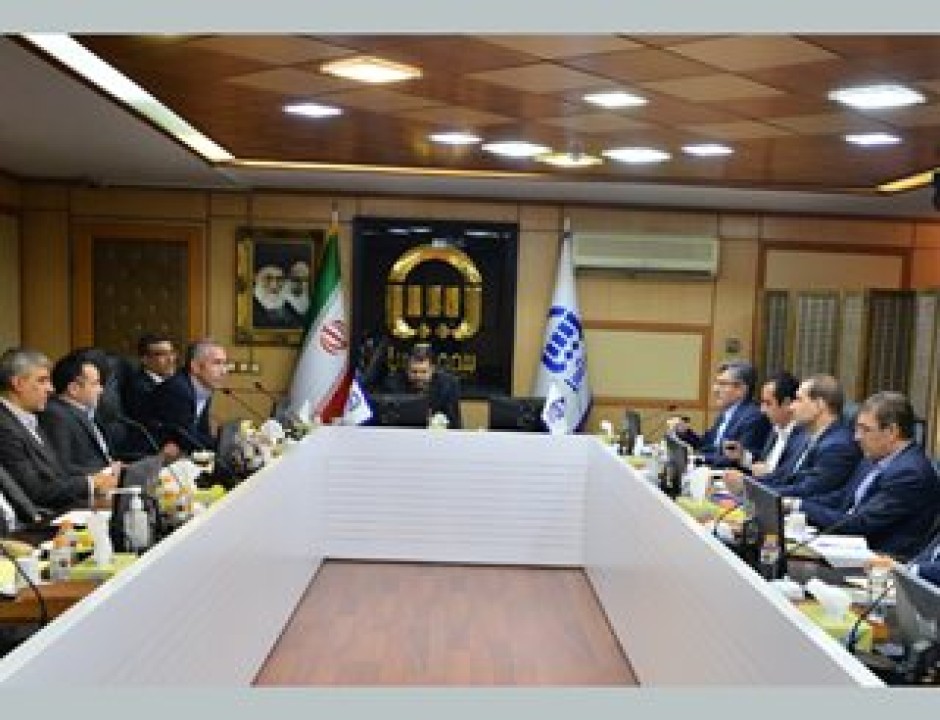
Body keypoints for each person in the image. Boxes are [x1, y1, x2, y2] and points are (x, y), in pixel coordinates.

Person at [784, 392, 940, 559]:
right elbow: (842, 498)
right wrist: (796, 504)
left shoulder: (910, 473)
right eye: (857, 428)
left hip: (880, 560)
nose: (857, 437)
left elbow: (861, 523)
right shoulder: (875, 457)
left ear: (892, 432)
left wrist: (800, 507)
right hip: (848, 547)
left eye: (865, 429)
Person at [0, 347, 118, 515]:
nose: (50, 389)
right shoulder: (4, 427)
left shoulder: (28, 418)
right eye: (42, 381)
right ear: (18, 384)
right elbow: (35, 491)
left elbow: (57, 473)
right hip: (39, 520)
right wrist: (92, 483)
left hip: (64, 507)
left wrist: (99, 482)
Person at [763, 374, 861, 498]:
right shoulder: (805, 436)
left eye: (798, 400)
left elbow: (807, 491)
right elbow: (782, 475)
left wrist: (755, 491)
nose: (791, 407)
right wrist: (748, 482)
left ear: (819, 405)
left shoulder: (838, 447)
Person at [667, 360, 771, 468]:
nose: (715, 389)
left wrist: (697, 459)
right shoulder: (726, 413)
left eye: (722, 384)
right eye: (716, 383)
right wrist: (684, 432)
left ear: (741, 389)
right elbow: (706, 446)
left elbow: (738, 459)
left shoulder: (754, 417)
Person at [38, 351, 123, 480]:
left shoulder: (84, 412)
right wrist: (107, 471)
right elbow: (62, 467)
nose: (101, 390)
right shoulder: (56, 416)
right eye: (95, 383)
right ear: (73, 389)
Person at [722, 371, 807, 493]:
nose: (762, 410)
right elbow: (762, 466)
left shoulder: (803, 437)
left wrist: (748, 483)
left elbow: (788, 480)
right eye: (762, 403)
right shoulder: (774, 430)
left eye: (768, 403)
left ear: (787, 403)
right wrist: (743, 456)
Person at [149, 339, 228, 453]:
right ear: (195, 367)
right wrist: (223, 445)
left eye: (225, 363)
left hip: (180, 452)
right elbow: (186, 438)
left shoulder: (203, 387)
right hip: (152, 454)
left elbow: (201, 430)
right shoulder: (177, 390)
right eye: (217, 363)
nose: (224, 371)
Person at [384, 343, 462, 429]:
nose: (418, 377)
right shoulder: (394, 384)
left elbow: (455, 424)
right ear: (407, 370)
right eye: (414, 372)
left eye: (423, 372)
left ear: (432, 369)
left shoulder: (448, 385)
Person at [122, 333, 177, 425]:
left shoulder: (173, 381)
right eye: (162, 354)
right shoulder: (139, 388)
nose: (171, 359)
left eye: (172, 353)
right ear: (145, 359)